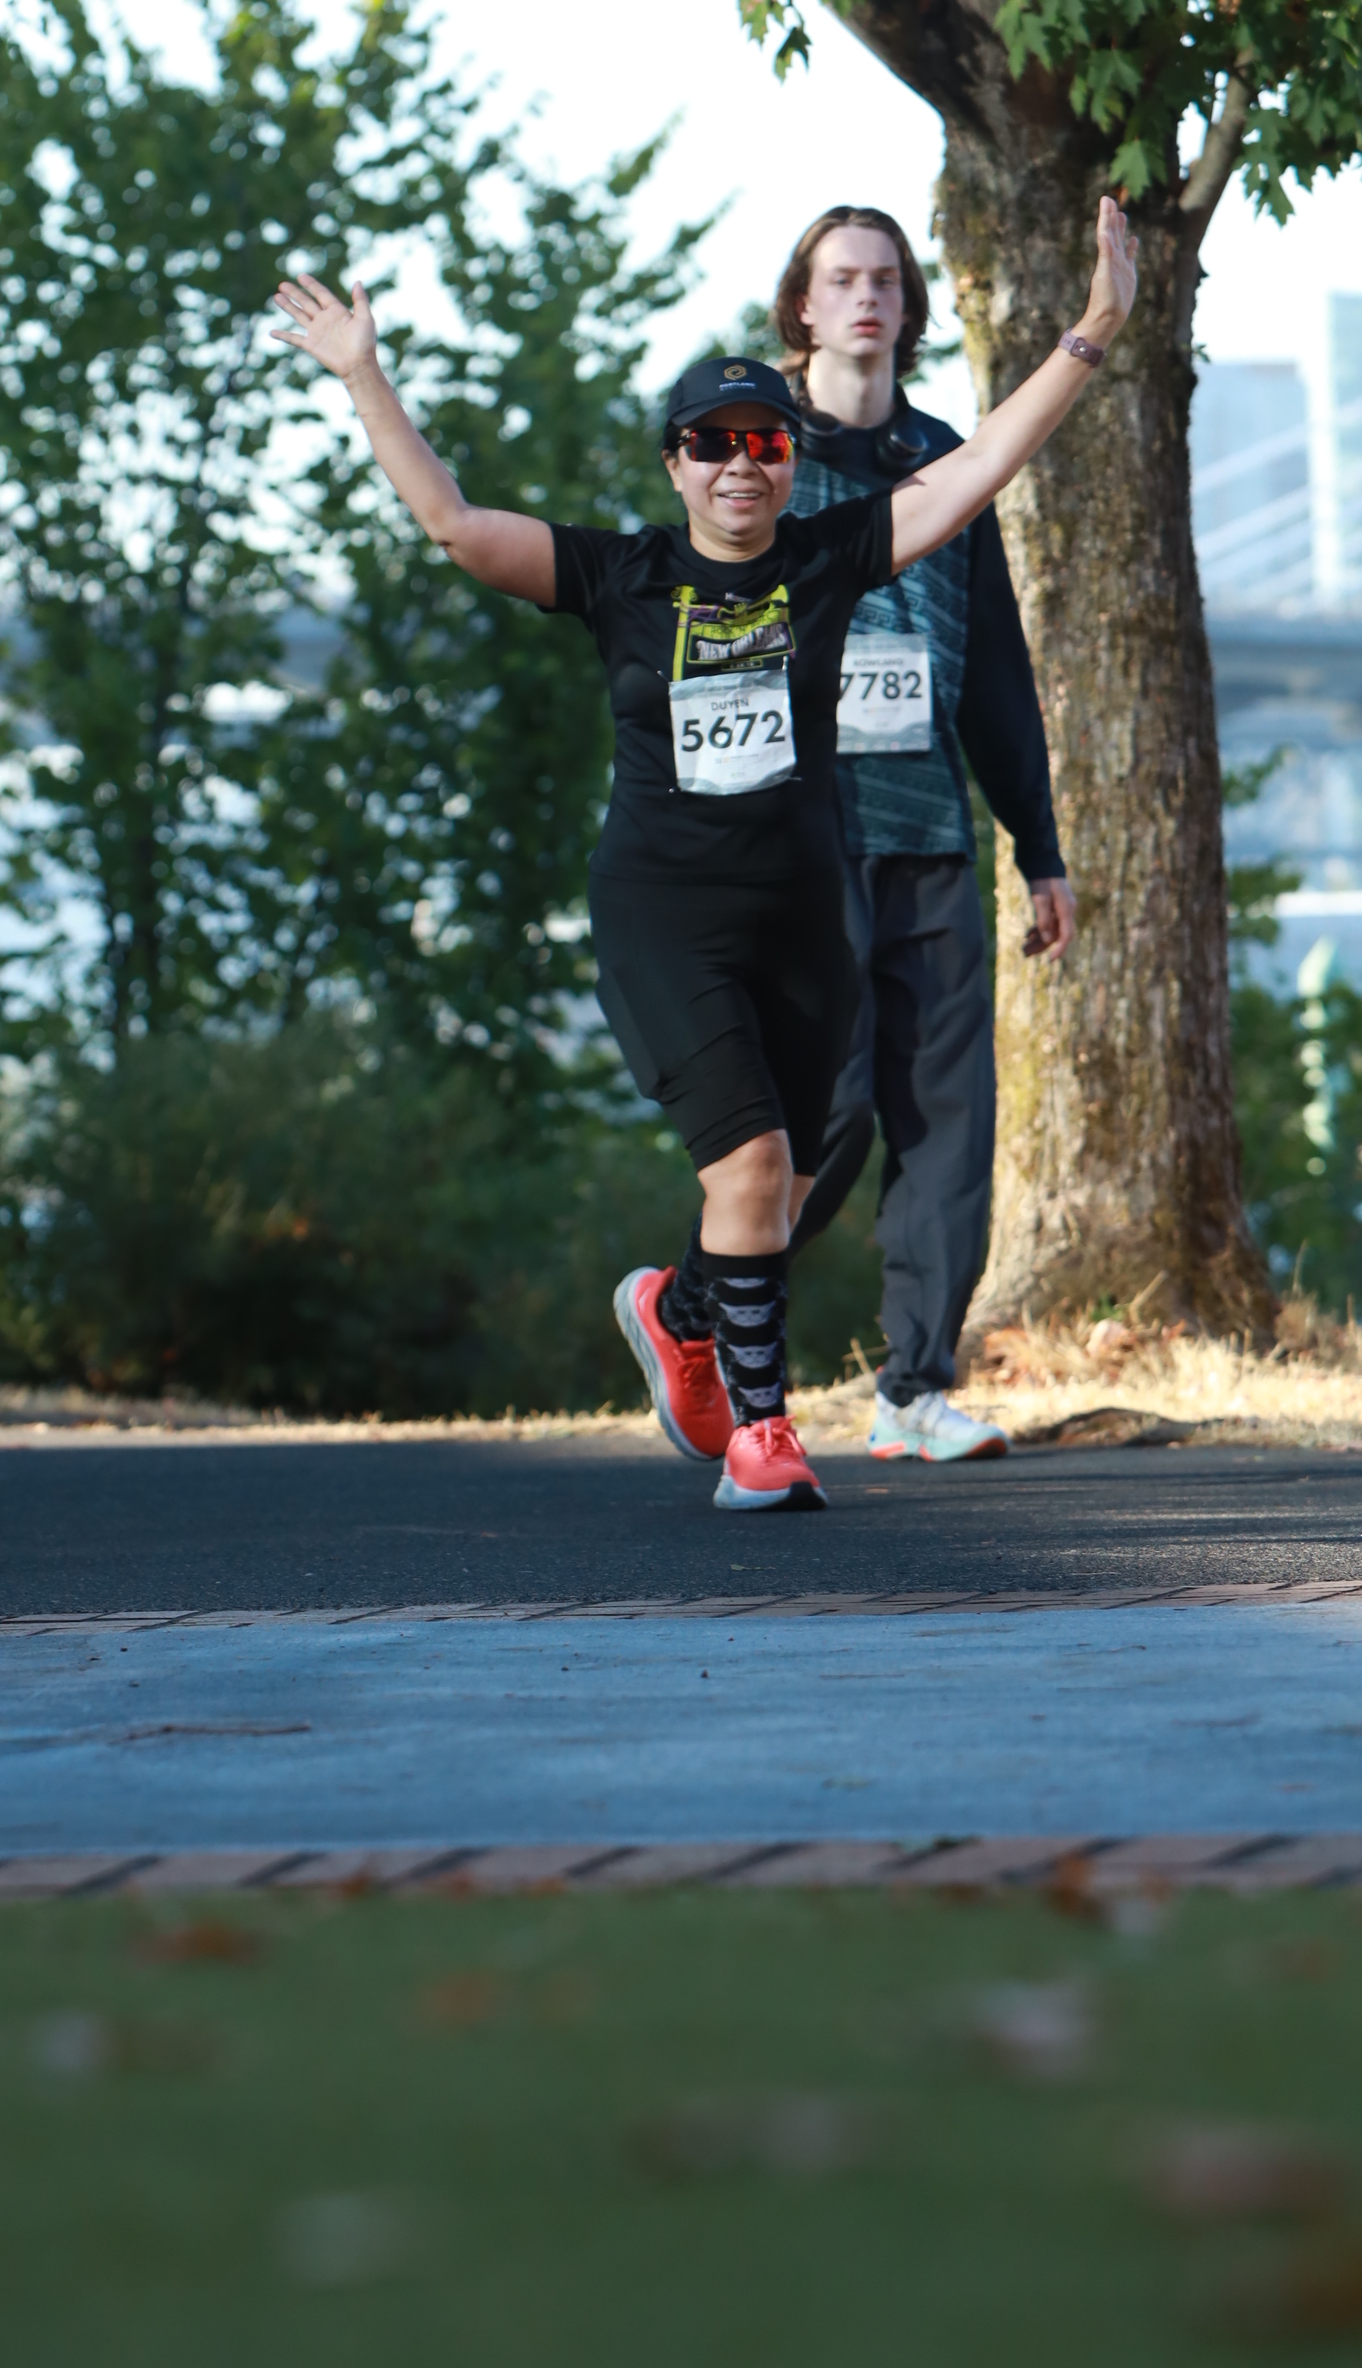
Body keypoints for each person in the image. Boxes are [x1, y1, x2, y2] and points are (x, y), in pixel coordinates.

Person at [272, 201, 1137, 1512]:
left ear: (790, 465)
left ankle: (681, 1321)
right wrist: (363, 377)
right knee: (746, 1168)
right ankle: (762, 1434)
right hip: (667, 919)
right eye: (712, 444)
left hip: (802, 914)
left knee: (787, 1181)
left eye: (764, 445)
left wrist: (1093, 330)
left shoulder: (828, 563)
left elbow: (975, 472)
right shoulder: (619, 577)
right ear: (676, 465)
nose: (741, 465)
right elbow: (452, 524)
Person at [774, 207, 1077, 1464]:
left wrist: (1036, 846)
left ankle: (911, 1389)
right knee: (829, 1108)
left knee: (947, 1121)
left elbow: (995, 670)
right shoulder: (755, 446)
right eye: (840, 279)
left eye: (884, 281)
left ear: (905, 308)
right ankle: (701, 1308)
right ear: (801, 305)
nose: (864, 297)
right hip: (798, 838)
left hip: (930, 836)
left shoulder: (944, 461)